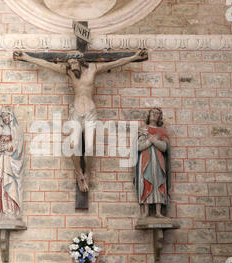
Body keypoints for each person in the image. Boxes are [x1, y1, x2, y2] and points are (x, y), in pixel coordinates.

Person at [13, 50, 148, 192]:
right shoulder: (69, 71)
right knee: (72, 146)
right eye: (70, 63)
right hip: (75, 112)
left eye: (73, 62)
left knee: (89, 148)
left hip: (90, 112)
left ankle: (87, 172)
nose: (72, 66)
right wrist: (27, 57)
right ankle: (78, 173)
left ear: (80, 61)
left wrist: (134, 57)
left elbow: (115, 63)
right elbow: (47, 64)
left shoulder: (93, 69)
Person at [135, 108, 171, 219]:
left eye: (157, 114)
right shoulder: (143, 129)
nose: (154, 115)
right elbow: (139, 147)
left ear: (160, 117)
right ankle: (146, 211)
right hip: (146, 160)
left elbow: (164, 147)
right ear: (149, 115)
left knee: (159, 181)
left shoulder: (162, 131)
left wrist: (154, 140)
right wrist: (151, 140)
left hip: (159, 161)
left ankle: (158, 212)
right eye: (153, 113)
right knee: (146, 181)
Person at [0, 106, 24, 220]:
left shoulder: (16, 130)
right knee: (0, 182)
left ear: (11, 116)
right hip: (0, 161)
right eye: (3, 116)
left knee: (10, 183)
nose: (5, 118)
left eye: (7, 115)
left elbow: (18, 146)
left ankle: (10, 210)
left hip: (10, 162)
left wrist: (8, 146)